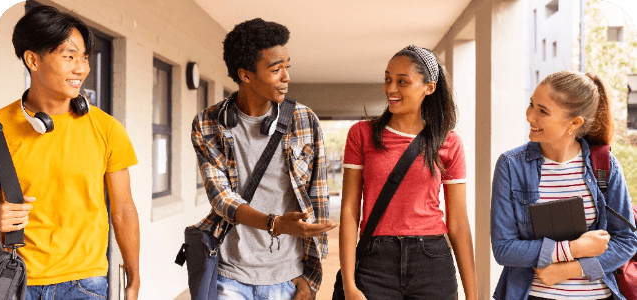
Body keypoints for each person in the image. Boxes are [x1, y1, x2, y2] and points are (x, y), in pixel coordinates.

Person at [0, 5, 140, 300]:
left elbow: (123, 211)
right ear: (33, 60)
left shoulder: (107, 129)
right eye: (68, 56)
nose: (81, 68)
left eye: (84, 57)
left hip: (85, 284)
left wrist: (133, 279)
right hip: (15, 279)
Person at [190, 18, 337, 300]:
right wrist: (276, 224)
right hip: (229, 276)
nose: (286, 77)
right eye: (275, 69)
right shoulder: (208, 123)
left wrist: (311, 279)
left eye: (287, 67)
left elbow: (318, 198)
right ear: (245, 75)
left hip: (287, 278)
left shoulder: (304, 120)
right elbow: (221, 198)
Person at [338, 45, 478, 300]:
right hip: (374, 262)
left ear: (429, 87)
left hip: (433, 261)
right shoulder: (362, 134)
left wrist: (473, 295)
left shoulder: (449, 141)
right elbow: (349, 210)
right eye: (388, 79)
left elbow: (458, 222)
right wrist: (349, 284)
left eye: (402, 81)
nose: (391, 88)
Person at [490, 71, 637, 299]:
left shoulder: (605, 166)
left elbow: (626, 241)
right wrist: (573, 249)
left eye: (542, 111)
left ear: (574, 123)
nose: (530, 116)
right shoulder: (511, 166)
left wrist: (570, 269)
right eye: (531, 105)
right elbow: (504, 249)